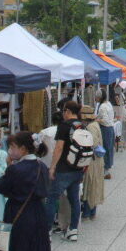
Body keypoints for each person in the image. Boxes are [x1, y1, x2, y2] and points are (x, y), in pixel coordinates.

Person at [0, 131, 51, 251]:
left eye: (13, 147)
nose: (10, 150)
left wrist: (8, 167)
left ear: (23, 149)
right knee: (36, 249)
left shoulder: (15, 169)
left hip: (17, 211)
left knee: (17, 249)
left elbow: (1, 187)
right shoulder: (42, 166)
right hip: (38, 211)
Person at [46, 101, 84, 242]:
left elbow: (59, 148)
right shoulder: (82, 125)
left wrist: (52, 166)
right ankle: (73, 230)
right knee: (74, 200)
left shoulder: (64, 126)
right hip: (78, 168)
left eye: (63, 111)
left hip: (63, 168)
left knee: (51, 199)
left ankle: (47, 231)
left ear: (67, 111)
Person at [80, 106, 104, 221]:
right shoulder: (95, 125)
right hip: (96, 159)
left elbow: (93, 143)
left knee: (89, 185)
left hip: (92, 160)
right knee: (93, 185)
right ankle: (91, 212)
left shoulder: (90, 127)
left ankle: (87, 212)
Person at [94, 89, 115, 180]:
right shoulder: (108, 103)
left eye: (96, 97)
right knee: (109, 148)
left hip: (105, 129)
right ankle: (107, 168)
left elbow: (105, 120)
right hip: (111, 128)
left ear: (99, 97)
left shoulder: (102, 106)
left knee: (104, 148)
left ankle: (105, 170)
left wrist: (96, 120)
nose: (95, 98)